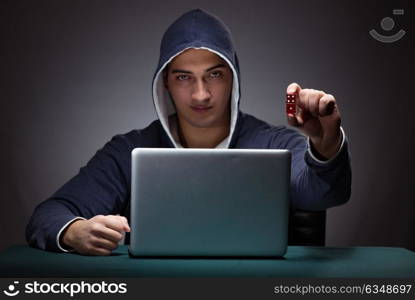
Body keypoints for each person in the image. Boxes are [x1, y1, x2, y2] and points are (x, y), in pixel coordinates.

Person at [26, 9, 351, 255]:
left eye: (214, 75)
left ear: (233, 78)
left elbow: (324, 193)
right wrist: (74, 231)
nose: (200, 95)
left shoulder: (273, 143)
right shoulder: (128, 150)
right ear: (164, 82)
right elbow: (48, 214)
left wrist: (326, 142)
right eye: (184, 77)